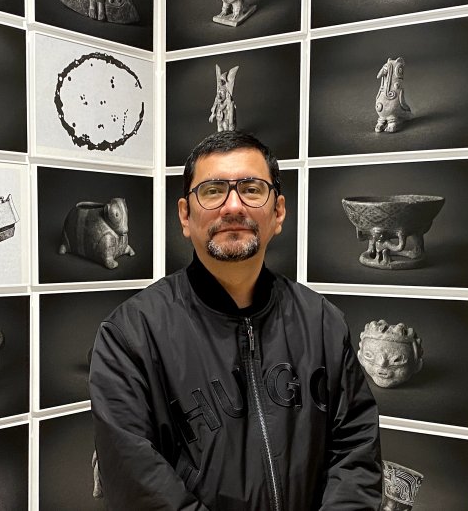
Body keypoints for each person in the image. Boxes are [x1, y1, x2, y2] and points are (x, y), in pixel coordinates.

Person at [89, 130, 382, 510]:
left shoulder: (322, 321)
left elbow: (355, 454)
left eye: (251, 188)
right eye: (212, 190)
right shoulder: (130, 336)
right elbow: (139, 487)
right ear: (185, 215)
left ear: (278, 212)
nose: (232, 206)